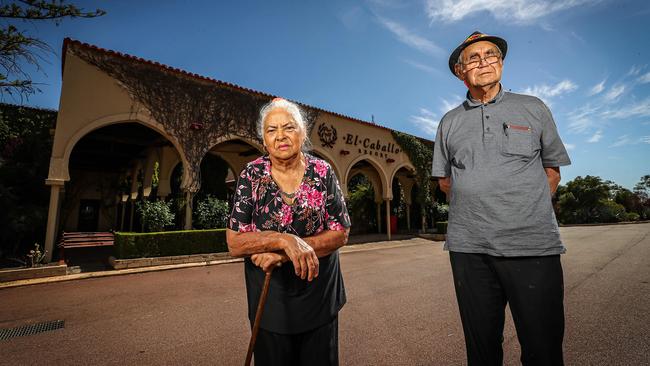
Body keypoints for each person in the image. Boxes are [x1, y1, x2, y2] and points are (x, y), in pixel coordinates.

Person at [431, 31, 571, 366]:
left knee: (543, 350)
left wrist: (522, 208)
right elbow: (446, 181)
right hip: (470, 251)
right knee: (481, 351)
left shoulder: (533, 108)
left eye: (491, 55)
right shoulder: (448, 122)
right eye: (473, 58)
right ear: (459, 71)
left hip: (532, 247)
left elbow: (552, 171)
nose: (484, 62)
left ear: (502, 62)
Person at [226, 97, 350, 366]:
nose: (280, 136)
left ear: (302, 133)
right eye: (272, 130)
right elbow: (235, 242)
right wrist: (284, 240)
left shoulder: (323, 171)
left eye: (289, 128)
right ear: (263, 139)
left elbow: (340, 232)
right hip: (270, 299)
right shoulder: (251, 175)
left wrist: (283, 254)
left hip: (319, 295)